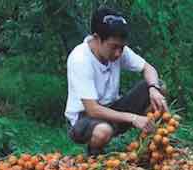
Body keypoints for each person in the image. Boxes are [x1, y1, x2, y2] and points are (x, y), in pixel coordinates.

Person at [64, 7, 168, 156]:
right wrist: (133, 118)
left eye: (122, 47)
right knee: (103, 131)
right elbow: (92, 109)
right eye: (114, 47)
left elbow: (148, 68)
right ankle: (94, 153)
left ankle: (149, 143)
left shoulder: (118, 50)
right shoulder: (80, 59)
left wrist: (153, 88)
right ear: (97, 38)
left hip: (114, 109)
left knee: (159, 86)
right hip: (85, 118)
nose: (118, 53)